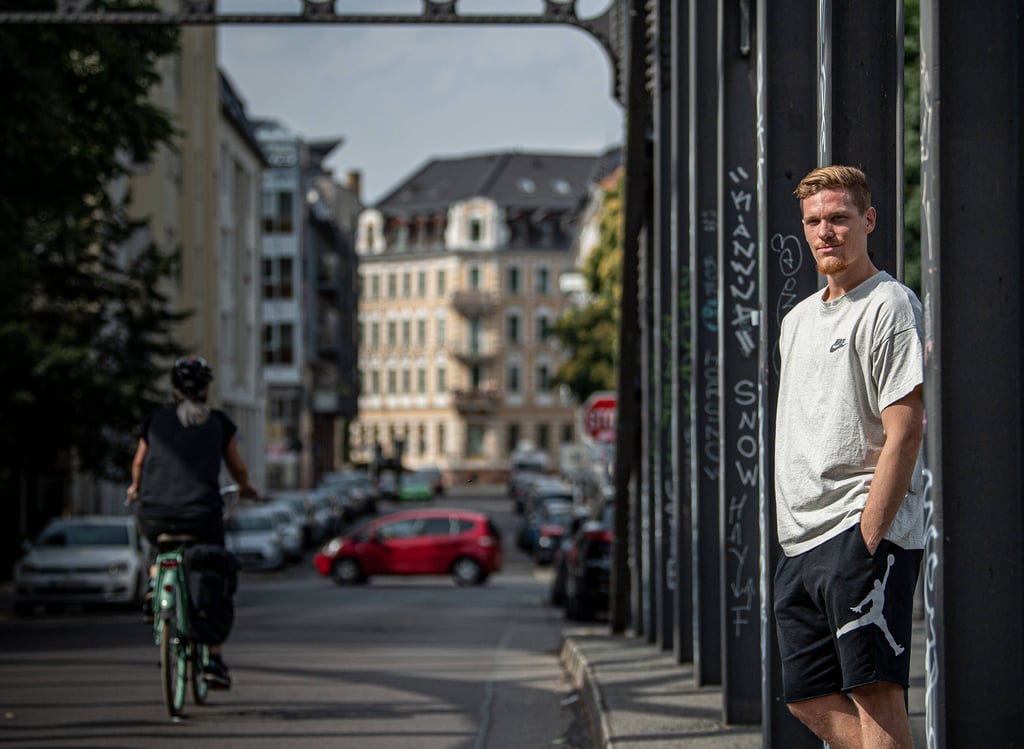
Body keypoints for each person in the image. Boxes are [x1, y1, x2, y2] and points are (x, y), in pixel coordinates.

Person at [773, 166, 925, 748]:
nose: (825, 232)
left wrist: (869, 535)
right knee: (806, 694)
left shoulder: (888, 304)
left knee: (875, 694)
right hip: (800, 540)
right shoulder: (797, 321)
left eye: (838, 218)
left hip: (857, 532)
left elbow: (905, 427)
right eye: (814, 221)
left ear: (868, 220)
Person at [126, 355, 258, 690]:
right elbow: (237, 467)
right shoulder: (217, 422)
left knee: (160, 545)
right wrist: (246, 488)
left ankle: (155, 586)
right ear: (206, 390)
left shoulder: (155, 420)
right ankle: (213, 659)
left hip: (154, 514)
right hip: (201, 515)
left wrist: (135, 489)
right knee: (213, 573)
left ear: (174, 390)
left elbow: (139, 462)